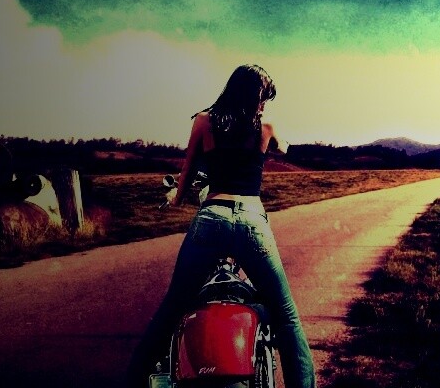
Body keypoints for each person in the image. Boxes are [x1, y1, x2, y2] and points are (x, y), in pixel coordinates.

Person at [126, 64, 316, 388]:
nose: (263, 106)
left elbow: (187, 172)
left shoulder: (204, 121)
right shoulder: (266, 128)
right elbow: (283, 148)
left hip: (212, 218)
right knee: (285, 316)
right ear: (253, 98)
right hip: (252, 221)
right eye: (262, 99)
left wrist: (175, 198)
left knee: (172, 308)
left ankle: (135, 381)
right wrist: (277, 144)